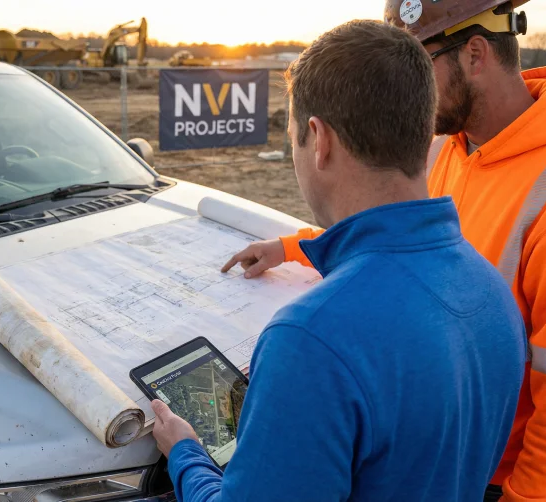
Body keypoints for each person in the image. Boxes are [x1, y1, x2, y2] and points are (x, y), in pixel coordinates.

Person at [222, 2, 546, 501]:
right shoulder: (447, 145)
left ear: (474, 54)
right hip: (427, 448)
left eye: (417, 62)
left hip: (490, 473)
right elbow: (399, 238)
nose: (403, 86)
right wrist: (293, 248)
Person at [151, 19, 526, 502]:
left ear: (319, 139)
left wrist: (185, 453)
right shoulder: (491, 290)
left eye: (294, 142)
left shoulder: (308, 340)